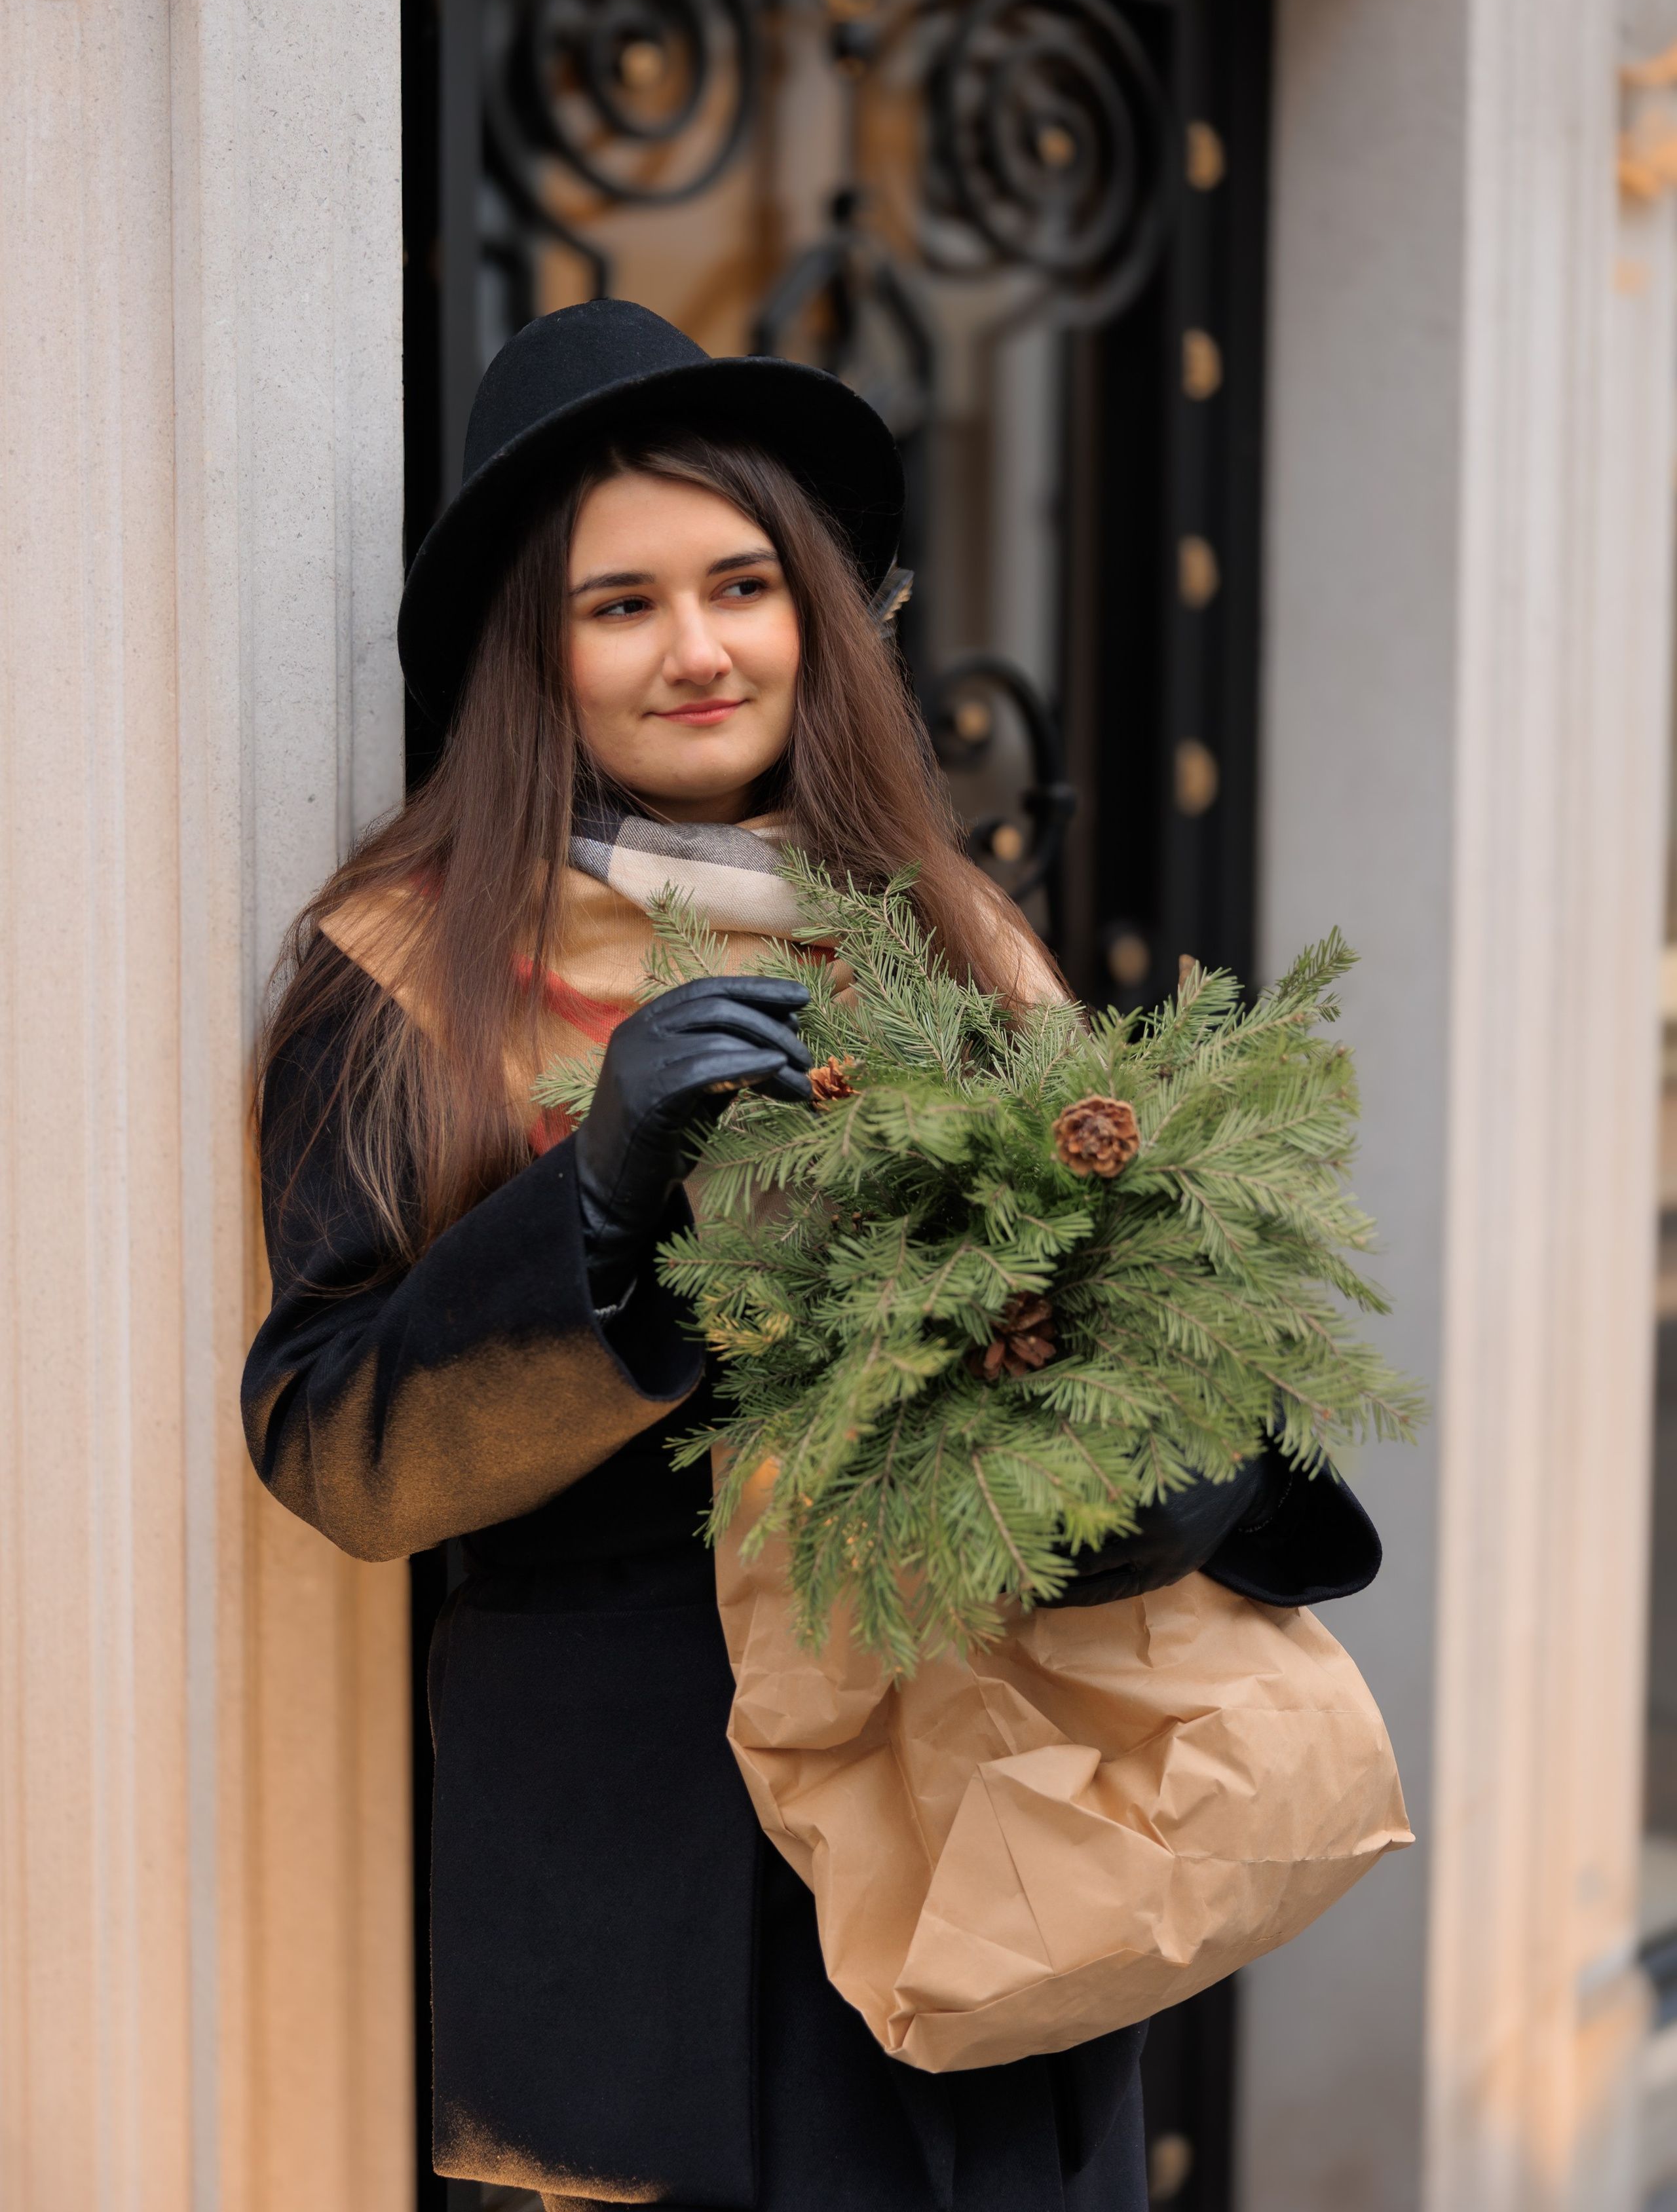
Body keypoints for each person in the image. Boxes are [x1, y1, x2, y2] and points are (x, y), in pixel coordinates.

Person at [244, 301, 1382, 2212]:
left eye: (744, 584)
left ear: (815, 615)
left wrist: (1207, 1484)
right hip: (651, 1935)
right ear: (535, 650)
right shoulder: (397, 972)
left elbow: (1156, 1313)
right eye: (620, 605)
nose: (697, 650)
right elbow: (330, 1437)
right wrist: (593, 1204)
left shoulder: (951, 934)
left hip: (996, 1862)